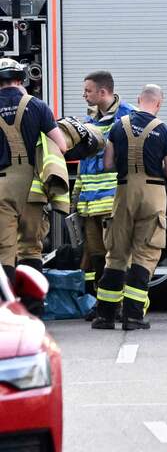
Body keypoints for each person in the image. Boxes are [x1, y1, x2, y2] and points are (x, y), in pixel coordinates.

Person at [92, 85, 167, 331]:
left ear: (139, 100)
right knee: (146, 254)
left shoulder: (119, 126)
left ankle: (105, 316)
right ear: (159, 104)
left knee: (117, 254)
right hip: (153, 193)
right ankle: (133, 317)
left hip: (123, 191)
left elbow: (108, 163)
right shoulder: (164, 130)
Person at [0, 59, 66, 282]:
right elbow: (61, 145)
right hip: (33, 187)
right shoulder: (38, 106)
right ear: (20, 80)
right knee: (31, 248)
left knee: (5, 249)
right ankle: (33, 308)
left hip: (2, 186)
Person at [77, 70, 134, 312]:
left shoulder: (128, 116)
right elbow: (84, 161)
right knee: (96, 255)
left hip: (113, 199)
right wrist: (77, 195)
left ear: (103, 92)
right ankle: (104, 305)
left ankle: (121, 304)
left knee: (117, 253)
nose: (84, 95)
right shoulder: (89, 120)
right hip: (91, 202)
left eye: (88, 91)